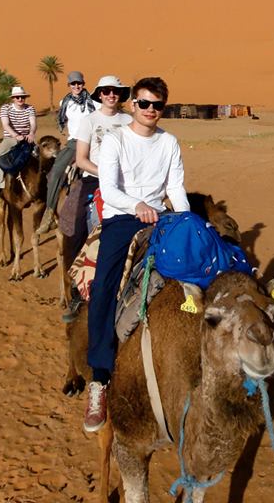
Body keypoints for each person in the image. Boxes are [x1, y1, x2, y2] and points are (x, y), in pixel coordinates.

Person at [83, 76, 190, 432]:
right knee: (103, 289)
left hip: (162, 217)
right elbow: (109, 190)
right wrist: (139, 205)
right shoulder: (115, 140)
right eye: (144, 103)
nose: (150, 111)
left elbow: (175, 186)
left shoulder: (169, 142)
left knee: (201, 269)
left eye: (157, 105)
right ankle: (99, 377)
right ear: (133, 105)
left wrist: (187, 220)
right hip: (123, 218)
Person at [39, 72, 96, 232]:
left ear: (83, 83)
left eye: (79, 83)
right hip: (73, 144)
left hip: (91, 144)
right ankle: (49, 213)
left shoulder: (94, 102)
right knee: (56, 172)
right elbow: (63, 121)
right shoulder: (65, 102)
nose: (77, 86)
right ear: (69, 85)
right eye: (73, 84)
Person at [0, 86, 36, 203]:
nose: (20, 99)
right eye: (17, 97)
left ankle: (44, 188)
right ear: (13, 98)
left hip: (27, 139)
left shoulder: (30, 108)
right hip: (10, 139)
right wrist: (15, 136)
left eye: (22, 97)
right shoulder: (6, 108)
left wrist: (31, 133)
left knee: (41, 158)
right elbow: (5, 125)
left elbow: (33, 123)